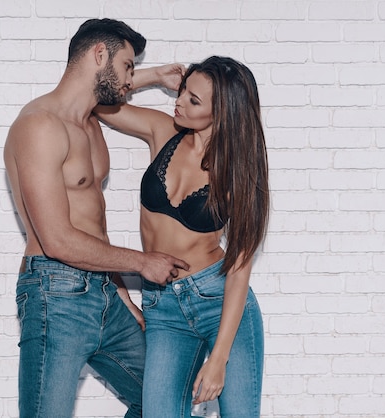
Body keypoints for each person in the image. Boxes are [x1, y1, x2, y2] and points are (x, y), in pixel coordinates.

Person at [3, 19, 189, 418]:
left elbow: (94, 229)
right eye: (126, 65)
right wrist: (142, 263)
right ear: (99, 54)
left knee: (168, 400)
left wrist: (121, 296)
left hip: (105, 291)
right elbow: (57, 239)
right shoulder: (39, 126)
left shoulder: (90, 123)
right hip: (55, 292)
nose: (128, 78)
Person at [94, 56, 269, 417]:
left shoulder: (238, 171)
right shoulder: (164, 132)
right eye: (183, 90)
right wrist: (153, 76)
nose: (179, 101)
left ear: (222, 114)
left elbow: (239, 267)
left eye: (194, 100)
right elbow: (95, 100)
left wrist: (218, 359)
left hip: (219, 298)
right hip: (164, 307)